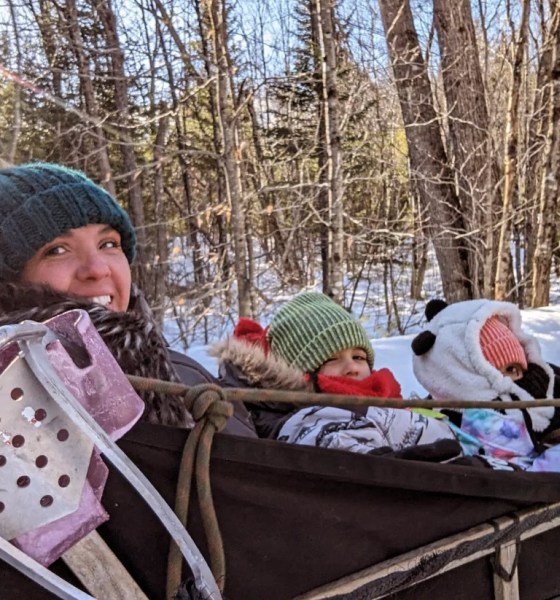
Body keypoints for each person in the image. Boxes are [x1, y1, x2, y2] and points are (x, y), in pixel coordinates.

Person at [0, 161, 256, 436]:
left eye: (108, 244)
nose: (98, 269)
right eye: (57, 250)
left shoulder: (181, 374)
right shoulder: (13, 404)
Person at [212, 291, 460, 457]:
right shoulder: (315, 417)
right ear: (301, 373)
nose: (352, 367)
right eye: (331, 359)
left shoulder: (386, 400)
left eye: (359, 357)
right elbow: (353, 457)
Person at [411, 298, 560, 472]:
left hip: (529, 466)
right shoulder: (454, 417)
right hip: (513, 478)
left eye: (516, 369)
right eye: (506, 370)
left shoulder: (526, 393)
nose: (515, 380)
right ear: (464, 374)